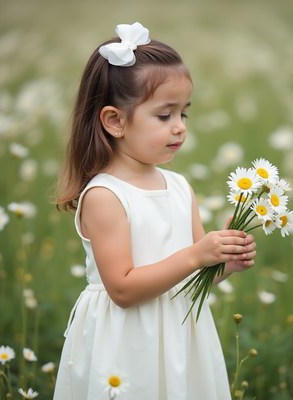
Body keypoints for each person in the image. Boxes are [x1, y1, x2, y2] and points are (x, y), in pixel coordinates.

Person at [54, 22, 256, 400]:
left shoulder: (179, 187)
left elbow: (195, 277)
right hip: (126, 342)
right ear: (115, 121)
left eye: (185, 114)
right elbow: (123, 289)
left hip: (180, 335)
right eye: (165, 116)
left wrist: (224, 261)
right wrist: (197, 254)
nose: (179, 128)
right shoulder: (105, 196)